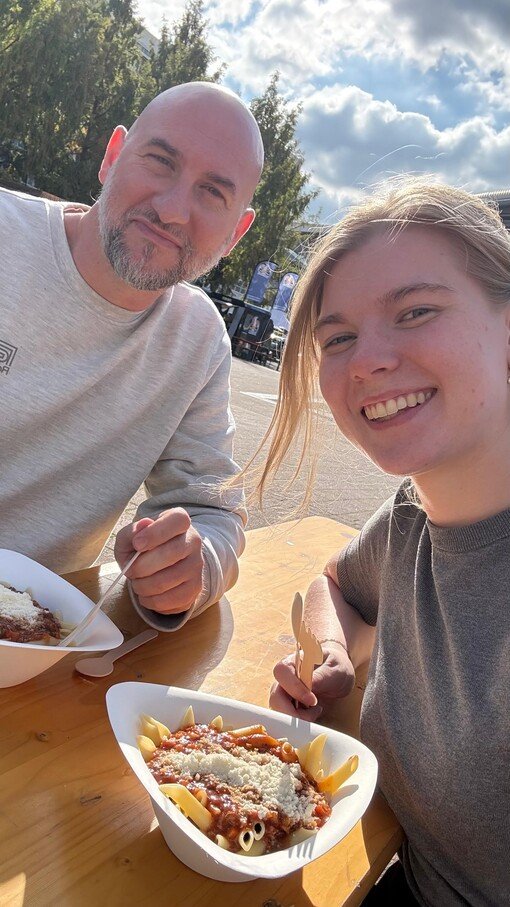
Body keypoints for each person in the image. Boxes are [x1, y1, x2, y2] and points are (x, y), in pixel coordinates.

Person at [253, 179, 510, 904]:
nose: (366, 361)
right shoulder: (410, 518)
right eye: (338, 338)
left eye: (416, 311)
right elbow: (330, 586)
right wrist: (336, 653)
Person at [0, 81, 264, 631]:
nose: (171, 210)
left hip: (26, 640)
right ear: (112, 156)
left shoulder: (197, 342)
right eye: (160, 161)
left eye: (213, 193)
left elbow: (210, 508)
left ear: (237, 231)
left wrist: (189, 567)